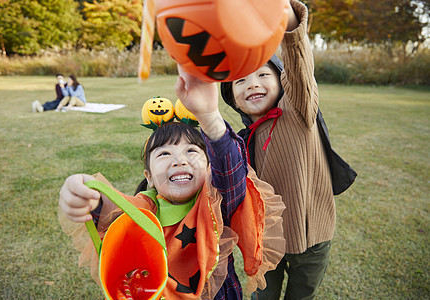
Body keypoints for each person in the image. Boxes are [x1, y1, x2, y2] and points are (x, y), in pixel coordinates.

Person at [58, 67, 285, 299]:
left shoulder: (216, 201)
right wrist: (89, 193)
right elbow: (114, 213)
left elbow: (231, 170)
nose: (179, 160)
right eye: (164, 154)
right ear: (149, 177)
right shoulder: (144, 210)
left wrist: (209, 118)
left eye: (191, 151)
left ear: (209, 167)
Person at [220, 0, 355, 299]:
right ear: (232, 97)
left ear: (281, 81)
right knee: (263, 296)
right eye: (241, 80)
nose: (252, 84)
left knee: (301, 294)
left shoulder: (297, 111)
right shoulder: (242, 139)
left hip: (314, 237)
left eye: (263, 75)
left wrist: (289, 23)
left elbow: (299, 68)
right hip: (267, 240)